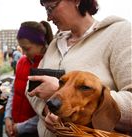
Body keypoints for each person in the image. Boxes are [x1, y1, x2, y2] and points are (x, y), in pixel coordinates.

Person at [26, 0, 132, 136]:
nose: (48, 18)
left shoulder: (119, 33)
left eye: (51, 8)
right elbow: (30, 86)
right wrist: (49, 109)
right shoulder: (54, 44)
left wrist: (63, 96)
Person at [5, 21, 53, 137]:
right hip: (14, 124)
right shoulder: (21, 61)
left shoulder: (49, 66)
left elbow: (47, 111)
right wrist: (7, 116)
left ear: (41, 44)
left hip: (33, 131)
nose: (24, 53)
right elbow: (13, 90)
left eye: (27, 48)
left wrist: (21, 128)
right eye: (22, 49)